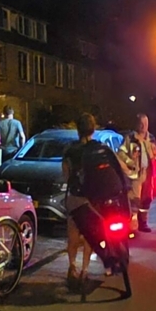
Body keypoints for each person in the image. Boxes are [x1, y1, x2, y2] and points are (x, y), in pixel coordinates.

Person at [61, 113, 98, 290]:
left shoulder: (70, 150)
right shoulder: (97, 149)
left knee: (73, 234)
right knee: (90, 235)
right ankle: (85, 271)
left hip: (74, 196)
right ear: (93, 128)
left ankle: (72, 267)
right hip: (91, 198)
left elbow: (66, 174)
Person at [117, 114, 156, 233]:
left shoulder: (151, 138)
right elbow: (121, 153)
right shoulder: (130, 138)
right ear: (136, 124)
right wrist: (130, 161)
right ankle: (132, 225)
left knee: (147, 199)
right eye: (141, 123)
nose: (143, 126)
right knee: (135, 200)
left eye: (145, 124)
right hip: (136, 174)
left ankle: (143, 222)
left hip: (149, 173)